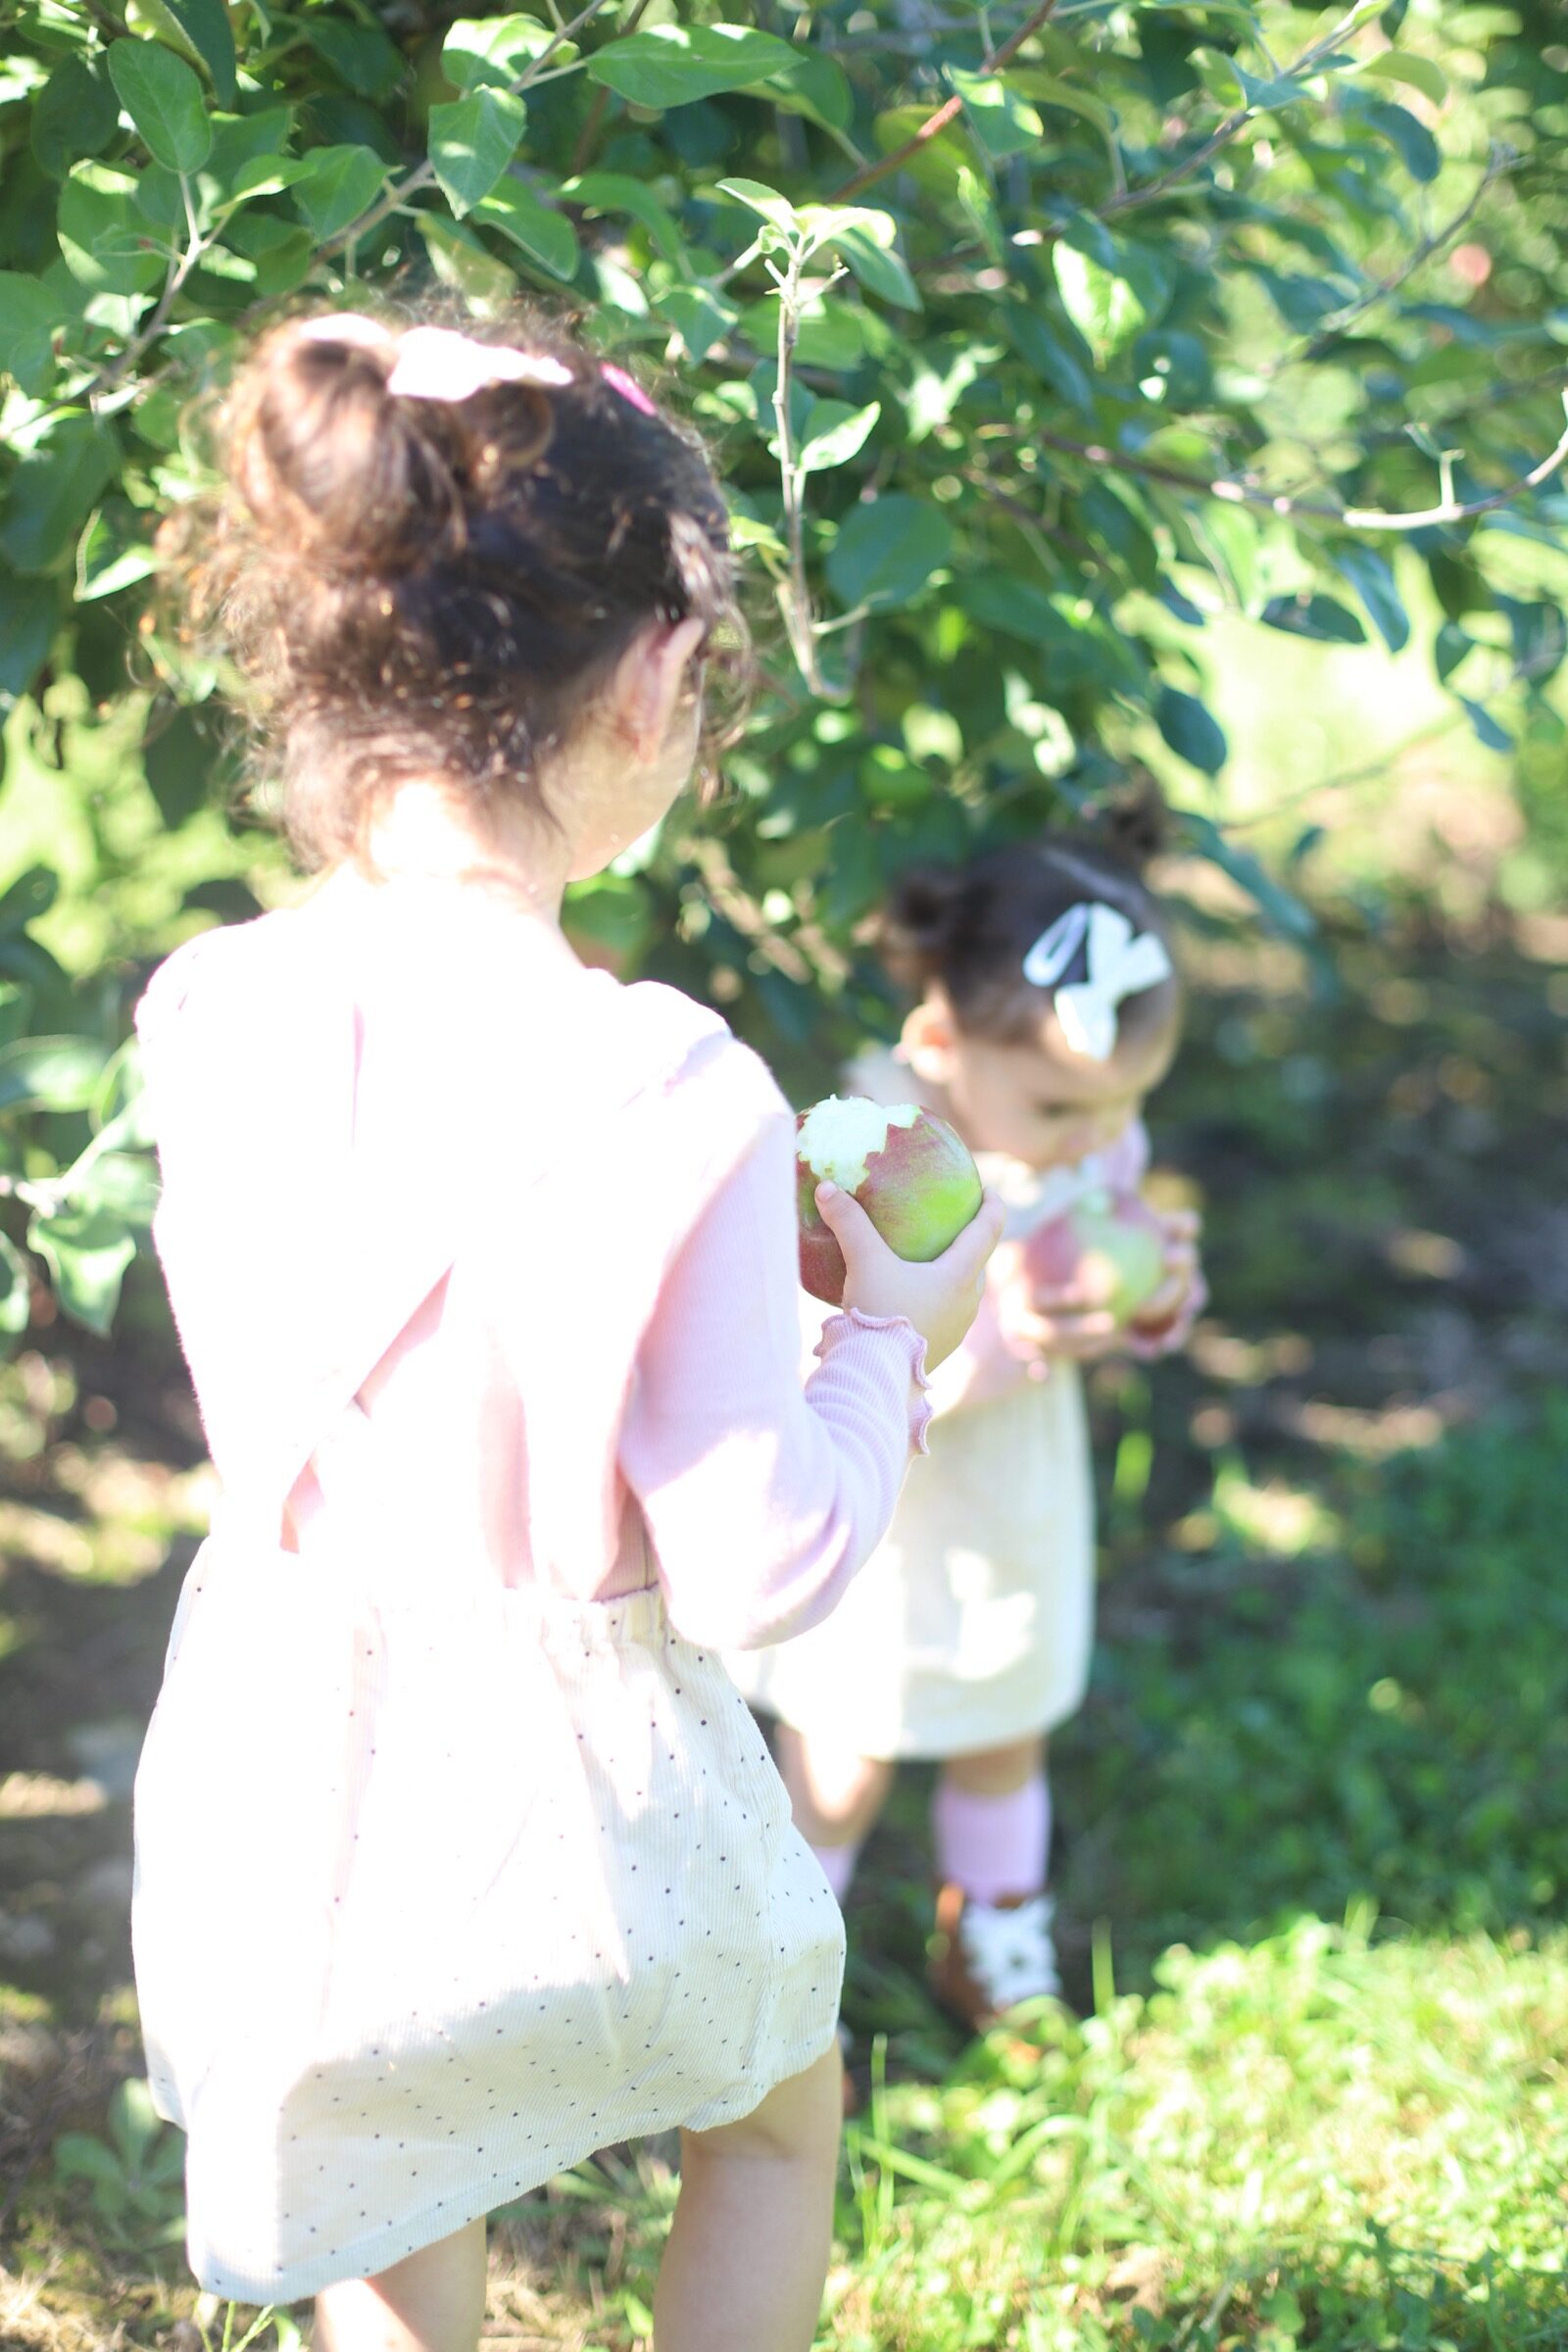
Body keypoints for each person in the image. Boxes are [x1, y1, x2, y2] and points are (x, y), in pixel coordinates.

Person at [128, 309, 1003, 2352]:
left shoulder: (208, 1014)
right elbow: (757, 1564)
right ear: (656, 678)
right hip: (584, 1804)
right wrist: (888, 1327)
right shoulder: (667, 1085)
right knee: (774, 2121)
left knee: (389, 2191)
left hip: (293, 1778)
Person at [730, 830, 1205, 2034]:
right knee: (840, 1762)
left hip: (1010, 1511)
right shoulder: (862, 1156)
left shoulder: (1088, 1141)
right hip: (886, 1515)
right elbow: (829, 1345)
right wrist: (1016, 1338)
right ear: (937, 1042)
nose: (1101, 1138)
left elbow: (1112, 1246)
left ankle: (996, 1944)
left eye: (1126, 1106)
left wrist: (1147, 1302)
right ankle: (789, 1987)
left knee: (1008, 1722)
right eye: (1062, 1105)